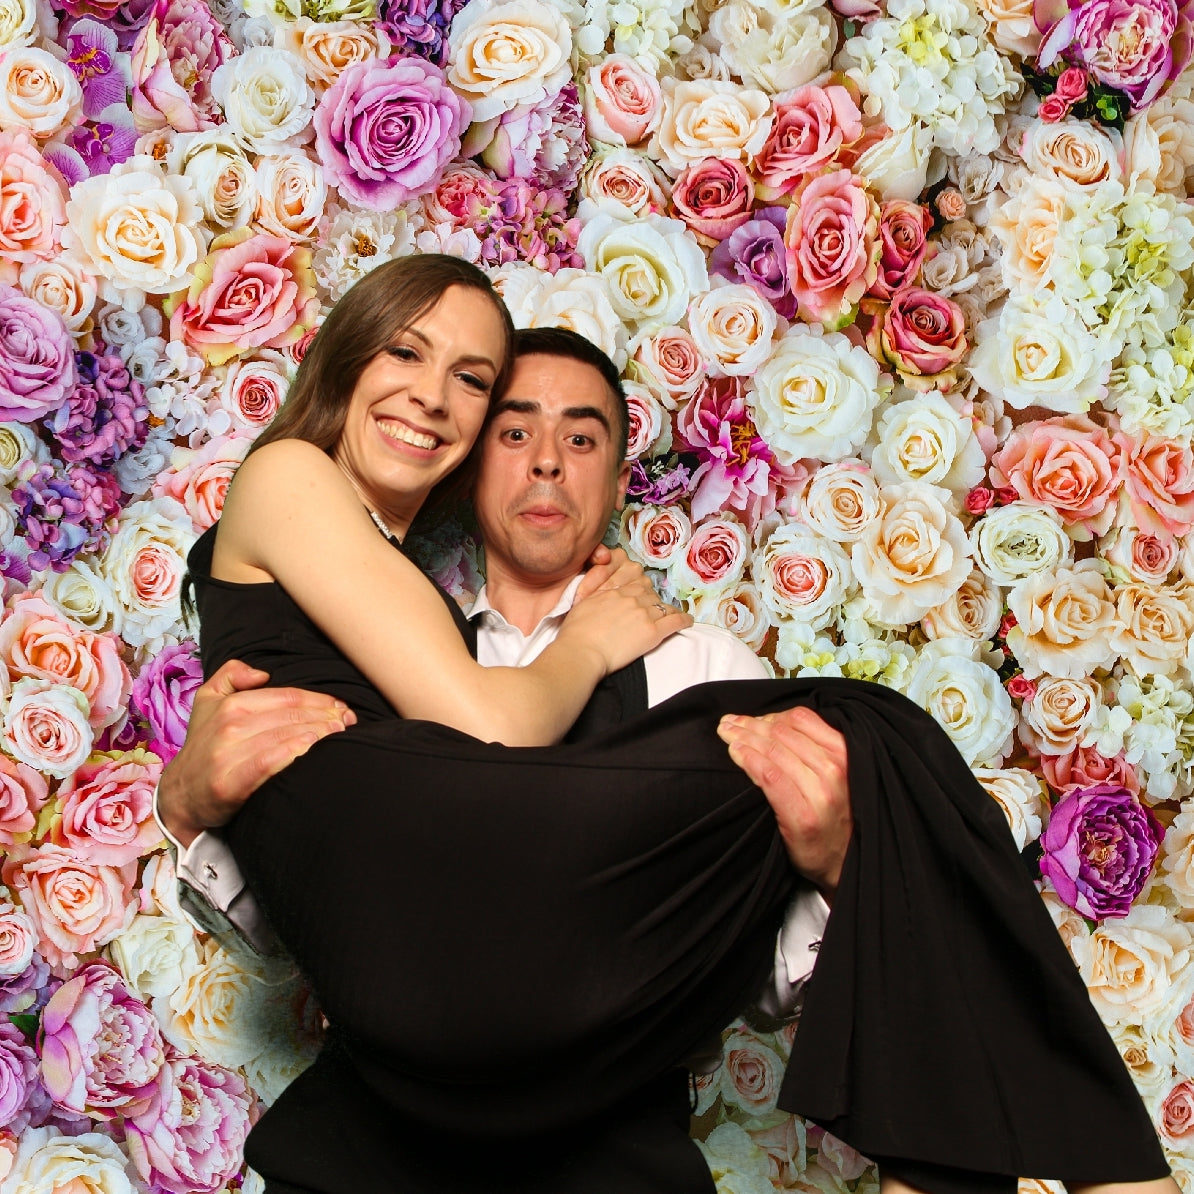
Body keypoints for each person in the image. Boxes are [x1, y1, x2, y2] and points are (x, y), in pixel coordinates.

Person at [176, 255, 1175, 1194]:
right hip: (377, 1136)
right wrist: (188, 808)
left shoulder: (699, 671)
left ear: (619, 484)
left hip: (608, 1163)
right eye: (513, 427)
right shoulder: (387, 600)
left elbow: (749, 983)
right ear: (477, 465)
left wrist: (830, 864)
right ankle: (1086, 1167)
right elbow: (352, 889)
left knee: (864, 744)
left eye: (579, 437)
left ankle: (979, 1166)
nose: (539, 460)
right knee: (873, 725)